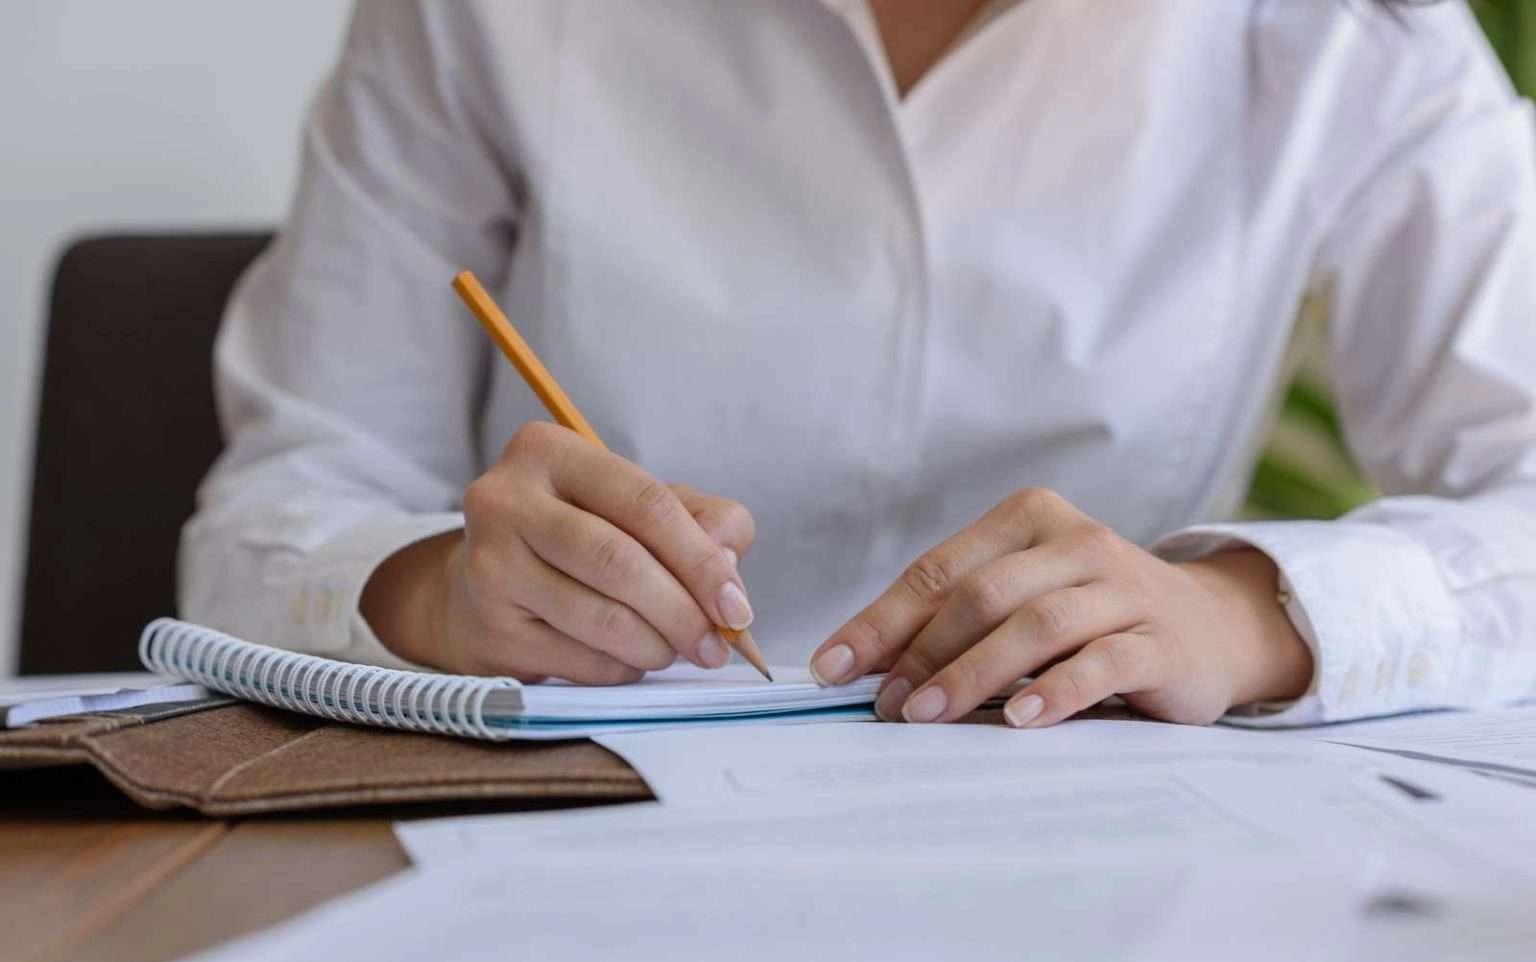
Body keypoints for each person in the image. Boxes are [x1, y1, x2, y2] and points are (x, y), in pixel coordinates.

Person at [181, 0, 1536, 731]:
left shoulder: (1358, 39)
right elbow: (273, 511)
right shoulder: (476, 16)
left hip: (1090, 845)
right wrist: (435, 599)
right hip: (559, 837)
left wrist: (1249, 616)